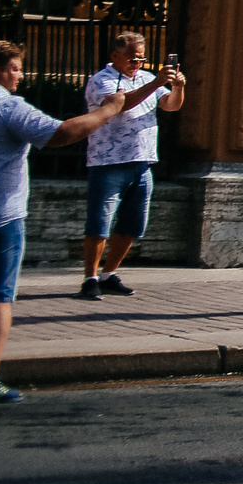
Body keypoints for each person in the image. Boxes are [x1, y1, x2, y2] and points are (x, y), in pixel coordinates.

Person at [0, 38, 169, 404]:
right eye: (15, 69)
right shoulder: (5, 106)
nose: (21, 76)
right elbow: (61, 133)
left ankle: (108, 273)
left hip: (137, 162)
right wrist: (109, 109)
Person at [80, 35, 185, 299]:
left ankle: (108, 274)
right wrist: (156, 82)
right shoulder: (100, 80)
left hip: (142, 161)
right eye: (132, 58)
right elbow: (122, 104)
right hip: (108, 162)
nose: (137, 63)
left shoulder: (148, 78)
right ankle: (90, 278)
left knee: (132, 224)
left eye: (141, 58)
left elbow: (170, 106)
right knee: (99, 225)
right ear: (115, 55)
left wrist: (178, 87)